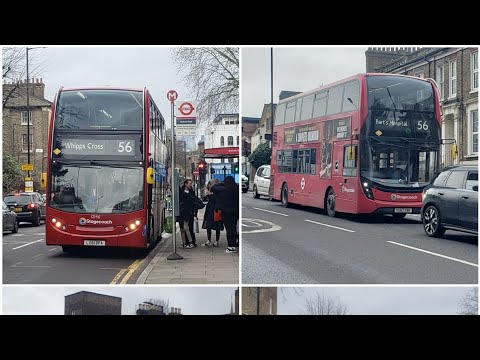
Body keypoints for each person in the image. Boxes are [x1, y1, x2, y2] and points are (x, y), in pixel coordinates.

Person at [211, 176, 239, 253]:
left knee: (228, 229)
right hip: (235, 212)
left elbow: (213, 188)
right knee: (233, 228)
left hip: (226, 212)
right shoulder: (236, 189)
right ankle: (234, 245)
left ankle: (230, 246)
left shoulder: (224, 190)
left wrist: (221, 183)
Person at [202, 179, 224, 247]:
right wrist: (206, 194)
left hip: (216, 210)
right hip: (210, 210)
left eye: (210, 184)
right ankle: (209, 240)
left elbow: (217, 199)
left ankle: (216, 241)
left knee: (217, 226)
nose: (209, 185)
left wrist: (210, 195)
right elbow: (205, 198)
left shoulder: (218, 190)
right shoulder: (209, 190)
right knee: (209, 225)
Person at [178, 179, 196, 249]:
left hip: (188, 212)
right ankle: (184, 242)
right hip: (181, 211)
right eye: (189, 184)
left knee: (186, 227)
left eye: (191, 184)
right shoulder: (181, 191)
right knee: (182, 228)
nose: (190, 185)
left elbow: (192, 200)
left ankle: (191, 242)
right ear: (185, 184)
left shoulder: (191, 192)